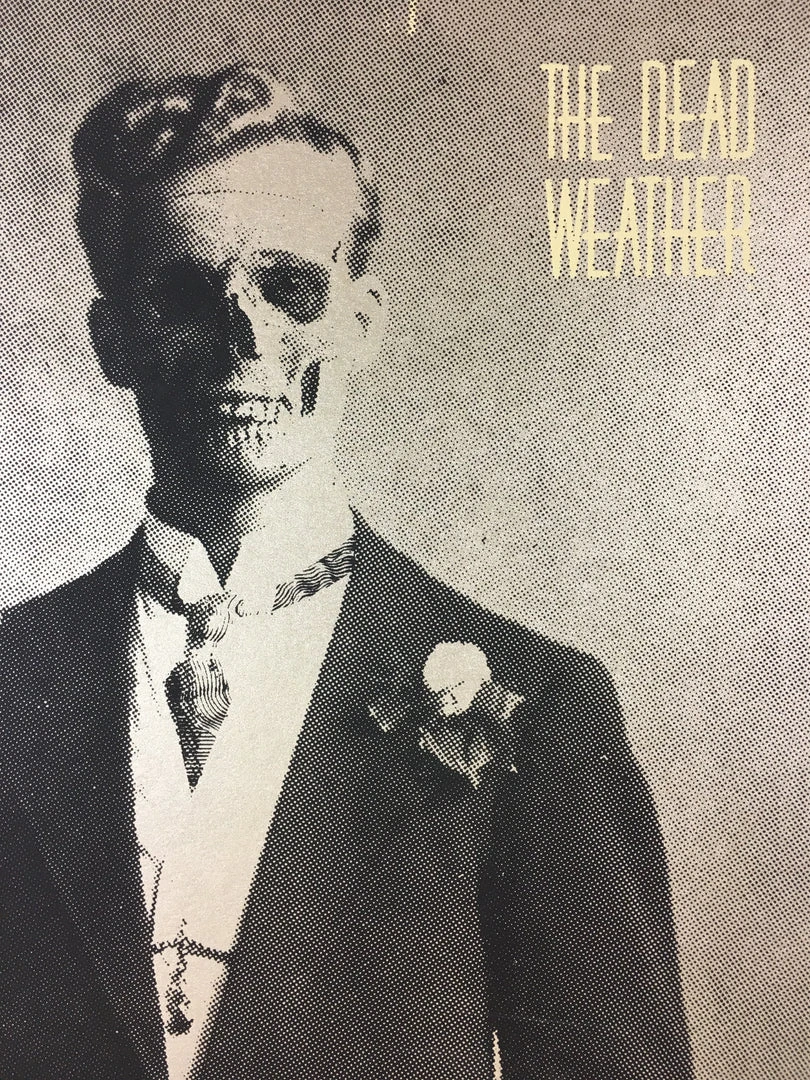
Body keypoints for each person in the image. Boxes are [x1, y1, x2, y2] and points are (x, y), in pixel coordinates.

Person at [0, 63, 693, 1080]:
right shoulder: (13, 679)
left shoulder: (542, 705)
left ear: (360, 320)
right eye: (183, 294)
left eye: (289, 289)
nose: (244, 340)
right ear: (114, 343)